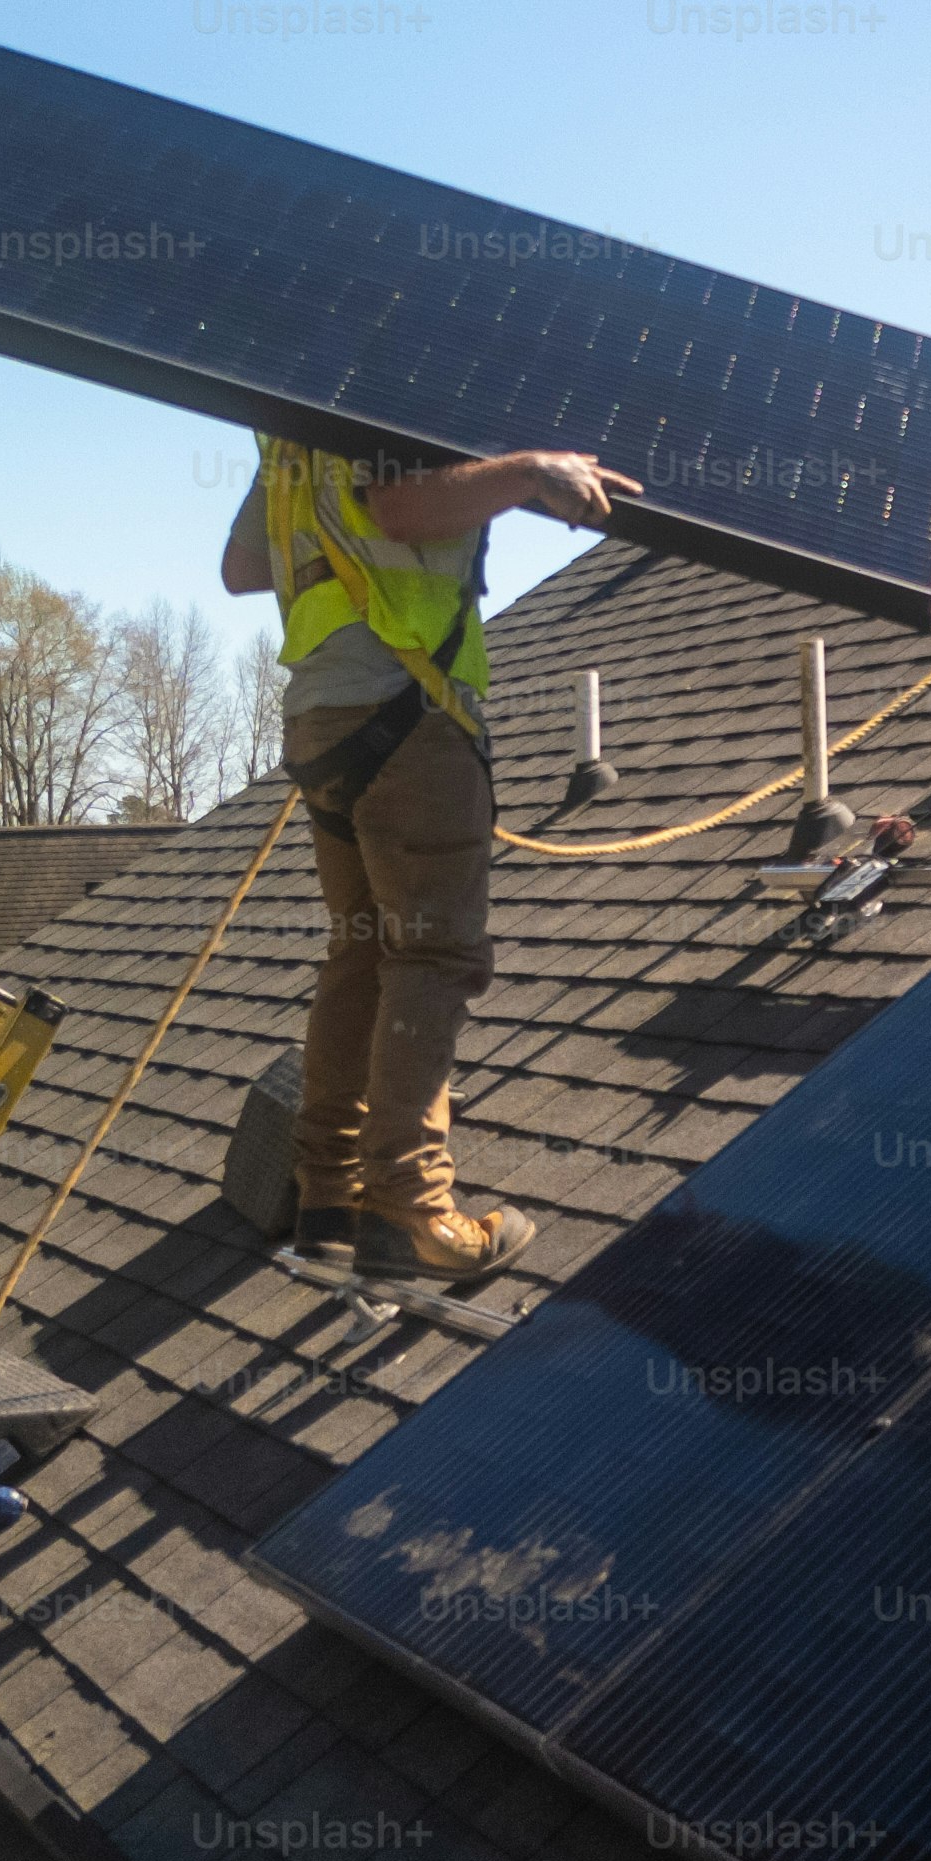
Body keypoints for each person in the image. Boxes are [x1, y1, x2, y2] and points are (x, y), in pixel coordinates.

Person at [222, 436, 641, 1281]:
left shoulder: (295, 429)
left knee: (363, 955)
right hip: (407, 707)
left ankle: (328, 1196)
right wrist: (527, 474)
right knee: (434, 955)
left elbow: (242, 566)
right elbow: (401, 507)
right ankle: (409, 1207)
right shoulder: (391, 376)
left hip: (323, 717)